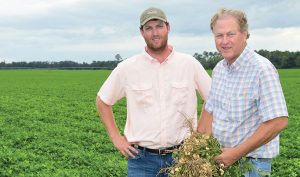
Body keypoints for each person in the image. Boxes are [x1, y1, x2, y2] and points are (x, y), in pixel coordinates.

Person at [96, 7, 211, 177]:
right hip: (141, 161)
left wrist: (200, 136)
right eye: (148, 28)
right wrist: (116, 138)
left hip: (183, 158)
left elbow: (214, 99)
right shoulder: (128, 68)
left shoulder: (189, 64)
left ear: (168, 28)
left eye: (159, 26)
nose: (155, 33)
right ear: (141, 32)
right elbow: (102, 101)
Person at [199, 8, 288, 177]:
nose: (224, 41)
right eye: (219, 35)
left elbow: (279, 120)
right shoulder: (219, 69)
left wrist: (237, 153)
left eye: (230, 34)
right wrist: (197, 146)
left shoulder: (261, 69)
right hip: (222, 160)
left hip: (251, 166)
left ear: (245, 34)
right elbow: (209, 110)